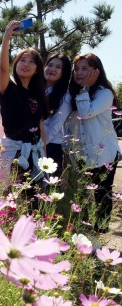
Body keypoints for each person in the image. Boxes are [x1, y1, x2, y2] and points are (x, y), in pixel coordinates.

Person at [65, 53, 121, 233]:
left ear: (96, 71)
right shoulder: (72, 93)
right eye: (77, 69)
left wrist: (85, 90)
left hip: (103, 153)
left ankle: (101, 234)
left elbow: (86, 112)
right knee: (81, 193)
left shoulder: (105, 93)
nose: (79, 73)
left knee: (101, 195)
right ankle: (84, 232)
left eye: (85, 69)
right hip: (80, 153)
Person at [0, 20, 48, 193]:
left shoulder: (38, 94)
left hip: (35, 154)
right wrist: (6, 39)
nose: (26, 64)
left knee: (34, 201)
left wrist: (44, 157)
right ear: (15, 64)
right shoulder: (8, 89)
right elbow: (2, 70)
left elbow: (40, 128)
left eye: (31, 61)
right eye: (22, 60)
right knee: (13, 200)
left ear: (37, 69)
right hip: (15, 156)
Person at [42, 53, 72, 177]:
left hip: (50, 147)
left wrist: (39, 146)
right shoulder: (36, 91)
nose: (52, 69)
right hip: (30, 145)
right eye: (50, 65)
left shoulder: (65, 97)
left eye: (58, 67)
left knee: (48, 190)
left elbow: (54, 128)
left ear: (64, 73)